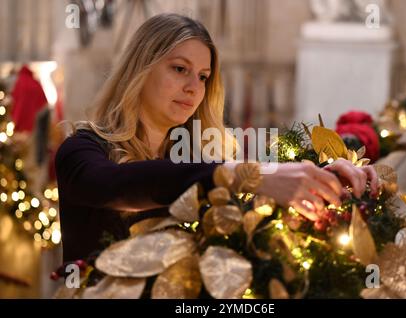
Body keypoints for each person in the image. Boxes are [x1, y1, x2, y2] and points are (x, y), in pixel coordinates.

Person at [55, 13, 379, 263]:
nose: (194, 88)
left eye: (203, 77)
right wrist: (244, 175)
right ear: (141, 68)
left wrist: (324, 179)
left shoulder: (196, 158)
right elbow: (116, 185)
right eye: (180, 69)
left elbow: (257, 205)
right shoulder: (81, 150)